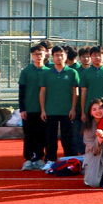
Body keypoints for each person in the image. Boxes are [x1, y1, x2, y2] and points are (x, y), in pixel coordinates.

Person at [40, 45, 80, 166]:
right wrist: (43, 110)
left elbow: (76, 92)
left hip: (67, 111)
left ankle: (69, 160)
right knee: (50, 138)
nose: (59, 57)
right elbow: (42, 92)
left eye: (61, 55)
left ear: (66, 56)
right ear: (52, 57)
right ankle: (50, 160)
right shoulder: (46, 73)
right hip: (50, 111)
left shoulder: (72, 72)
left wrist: (73, 109)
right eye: (56, 55)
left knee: (67, 138)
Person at [18, 42, 50, 171]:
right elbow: (21, 91)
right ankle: (28, 159)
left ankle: (39, 158)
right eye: (36, 54)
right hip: (29, 109)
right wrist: (22, 109)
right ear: (32, 55)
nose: (38, 56)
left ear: (45, 54)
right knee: (29, 135)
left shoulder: (49, 71)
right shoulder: (26, 71)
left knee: (42, 135)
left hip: (44, 110)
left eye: (40, 54)